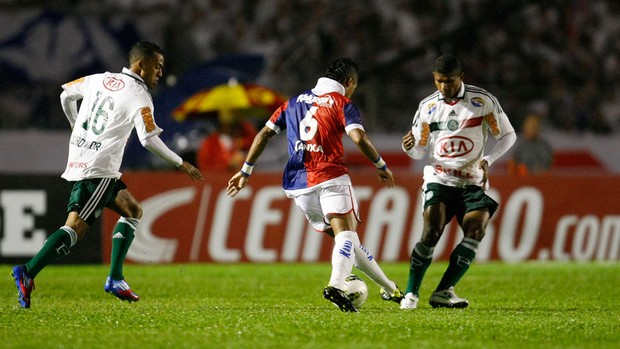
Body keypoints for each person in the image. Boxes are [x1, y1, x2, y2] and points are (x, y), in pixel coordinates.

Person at [11, 40, 204, 309]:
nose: (160, 73)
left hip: (83, 158)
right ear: (141, 65)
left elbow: (65, 95)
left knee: (133, 210)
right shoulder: (140, 95)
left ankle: (115, 277)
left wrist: (75, 127)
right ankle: (27, 271)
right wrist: (180, 162)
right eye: (157, 67)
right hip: (100, 167)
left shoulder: (99, 79)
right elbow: (148, 139)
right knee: (75, 228)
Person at [227, 58, 403, 312]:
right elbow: (358, 137)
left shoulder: (293, 102)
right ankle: (336, 284)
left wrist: (245, 171)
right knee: (347, 235)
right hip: (330, 176)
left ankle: (390, 288)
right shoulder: (343, 103)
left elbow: (264, 134)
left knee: (348, 241)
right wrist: (381, 165)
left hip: (299, 185)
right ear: (350, 82)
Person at [400, 54, 516, 310]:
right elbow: (419, 151)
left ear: (460, 78)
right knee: (432, 231)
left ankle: (443, 291)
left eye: (450, 81)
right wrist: (408, 147)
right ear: (434, 78)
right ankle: (410, 294)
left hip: (472, 182)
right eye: (439, 81)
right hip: (439, 178)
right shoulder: (428, 106)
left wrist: (489, 158)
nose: (444, 87)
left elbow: (508, 135)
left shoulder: (482, 101)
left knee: (476, 230)